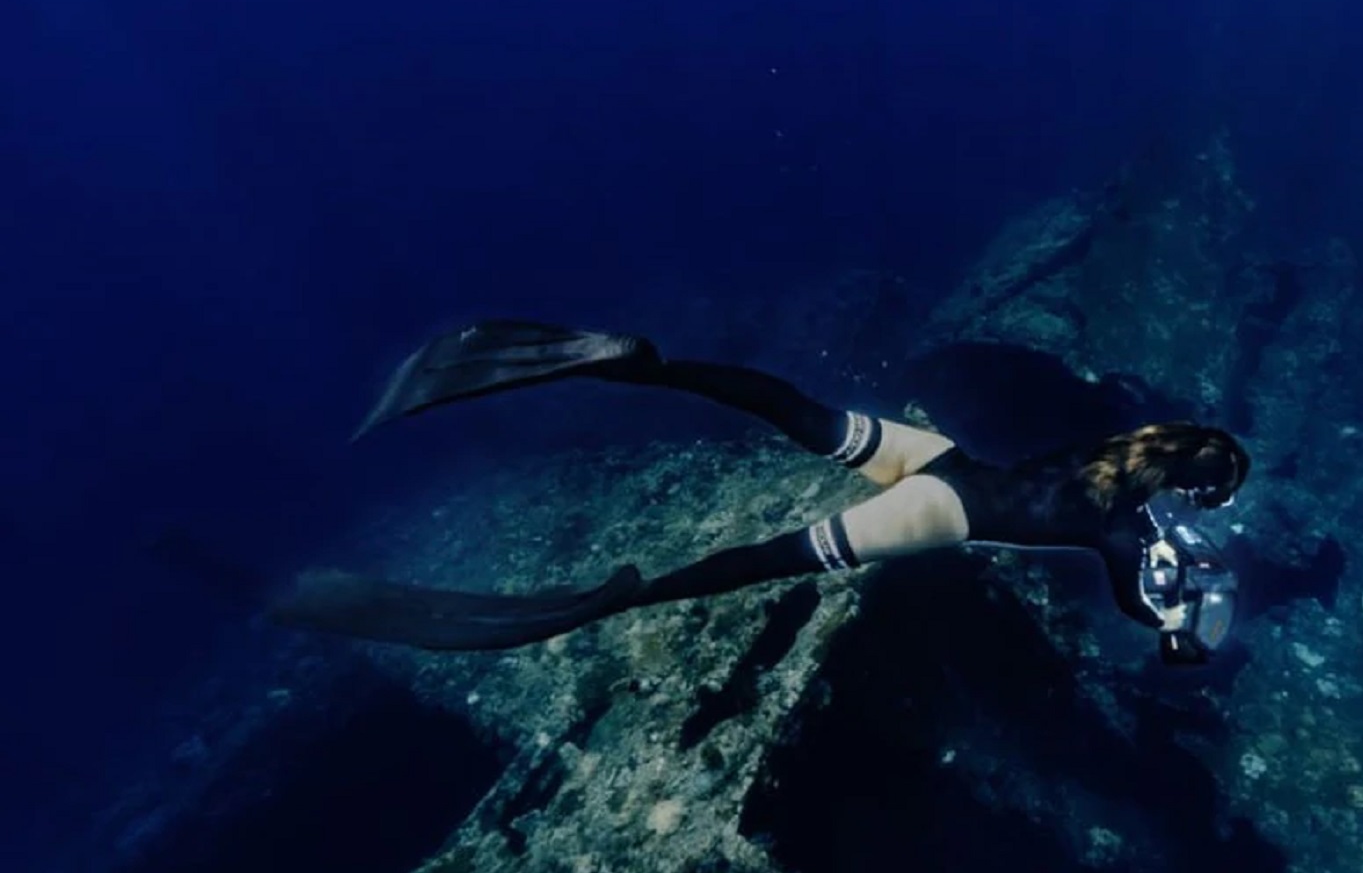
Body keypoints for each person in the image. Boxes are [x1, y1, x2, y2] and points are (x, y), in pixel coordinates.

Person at [270, 320, 1250, 664]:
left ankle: (644, 363)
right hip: (948, 513)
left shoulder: (1122, 452)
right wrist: (1177, 628)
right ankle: (625, 597)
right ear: (1191, 487)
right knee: (775, 561)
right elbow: (1137, 600)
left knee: (798, 410)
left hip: (944, 460)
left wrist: (1164, 531)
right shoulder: (1127, 526)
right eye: (1213, 498)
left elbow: (1118, 501)